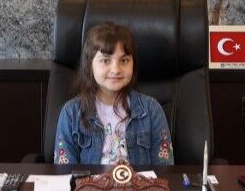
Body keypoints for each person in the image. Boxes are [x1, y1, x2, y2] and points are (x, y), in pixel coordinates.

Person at [53, 23, 174, 167]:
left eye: (124, 60)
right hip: (89, 182)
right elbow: (65, 173)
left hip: (139, 182)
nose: (116, 69)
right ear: (90, 64)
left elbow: (164, 169)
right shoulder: (71, 113)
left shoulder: (152, 110)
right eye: (105, 60)